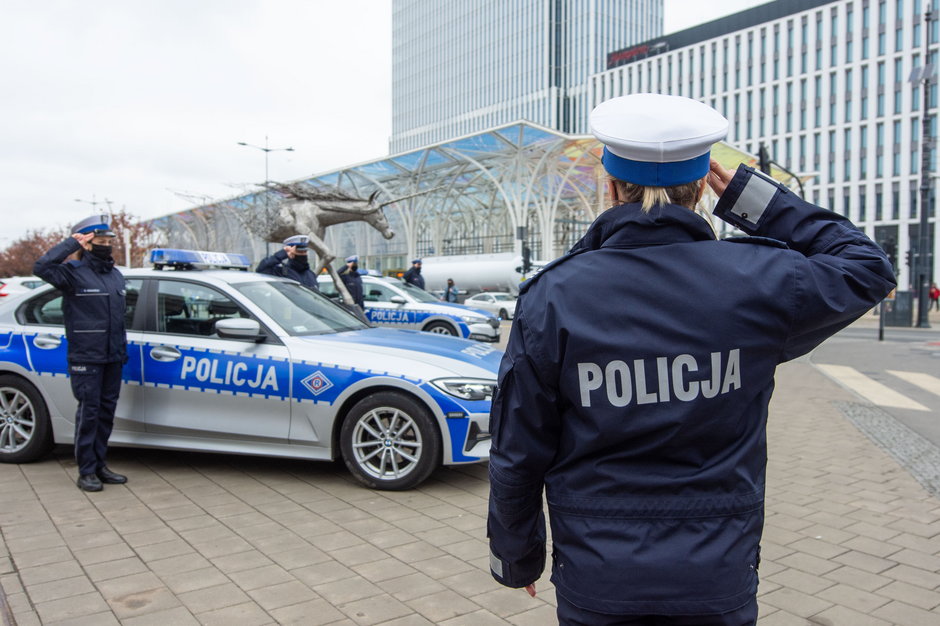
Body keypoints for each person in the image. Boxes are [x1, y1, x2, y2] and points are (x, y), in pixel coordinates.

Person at [486, 94, 896, 625]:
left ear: (609, 187)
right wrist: (759, 203)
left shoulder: (553, 297)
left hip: (598, 576)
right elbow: (867, 267)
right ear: (703, 187)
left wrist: (516, 561)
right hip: (718, 572)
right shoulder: (760, 282)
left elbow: (519, 450)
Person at [34, 214, 130, 492]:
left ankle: (100, 465)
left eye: (109, 240)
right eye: (100, 240)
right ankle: (86, 471)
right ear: (87, 243)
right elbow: (41, 266)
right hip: (86, 358)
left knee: (106, 414)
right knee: (89, 413)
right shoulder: (72, 273)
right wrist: (69, 244)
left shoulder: (115, 275)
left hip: (113, 357)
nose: (107, 244)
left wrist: (121, 352)